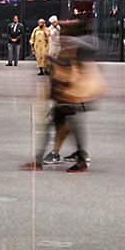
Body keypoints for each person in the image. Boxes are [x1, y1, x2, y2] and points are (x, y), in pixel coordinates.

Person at [45, 21, 100, 172]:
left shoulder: (73, 44)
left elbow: (69, 68)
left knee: (65, 122)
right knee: (65, 121)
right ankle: (74, 154)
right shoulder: (87, 42)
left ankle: (67, 155)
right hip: (77, 91)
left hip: (74, 92)